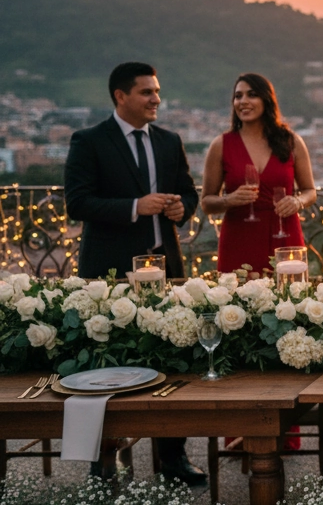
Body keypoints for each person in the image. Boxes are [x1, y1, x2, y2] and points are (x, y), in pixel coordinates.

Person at [63, 62, 204, 485]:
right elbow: (77, 203)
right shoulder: (89, 141)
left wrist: (181, 208)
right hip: (110, 271)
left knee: (172, 357)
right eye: (146, 92)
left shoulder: (169, 140)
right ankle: (104, 458)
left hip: (166, 266)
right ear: (120, 96)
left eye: (157, 91)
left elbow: (189, 192)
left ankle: (173, 458)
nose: (156, 99)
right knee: (107, 363)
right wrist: (134, 207)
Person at [202, 73, 315, 277]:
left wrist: (298, 202)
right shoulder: (221, 145)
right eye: (238, 96)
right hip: (239, 240)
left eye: (252, 95)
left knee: (290, 294)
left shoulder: (292, 142)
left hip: (285, 236)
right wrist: (229, 200)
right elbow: (206, 203)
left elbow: (310, 191)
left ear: (266, 100)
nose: (243, 101)